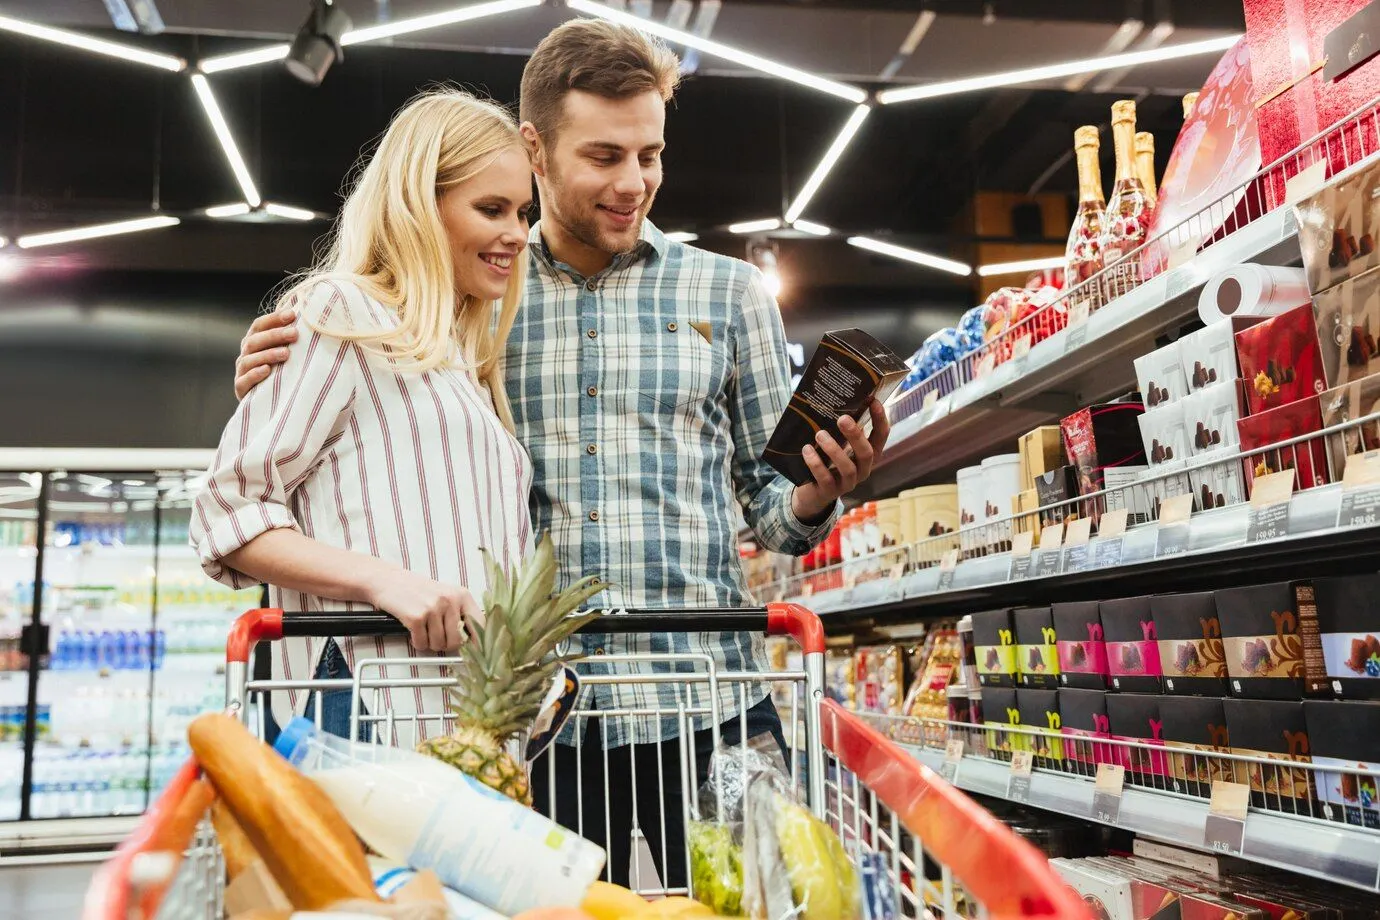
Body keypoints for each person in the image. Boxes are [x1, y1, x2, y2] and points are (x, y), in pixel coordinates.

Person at [230, 19, 891, 888]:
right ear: (535, 149)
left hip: (712, 695)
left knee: (768, 903)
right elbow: (370, 401)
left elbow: (771, 511)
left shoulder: (729, 295)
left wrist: (814, 495)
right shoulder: (477, 292)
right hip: (545, 719)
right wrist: (276, 373)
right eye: (604, 156)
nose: (634, 182)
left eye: (650, 155)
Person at [193, 88, 536, 742]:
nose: (517, 233)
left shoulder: (466, 364)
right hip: (370, 704)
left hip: (463, 721)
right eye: (491, 209)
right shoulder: (341, 313)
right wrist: (386, 583)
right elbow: (226, 513)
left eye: (523, 212)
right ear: (419, 204)